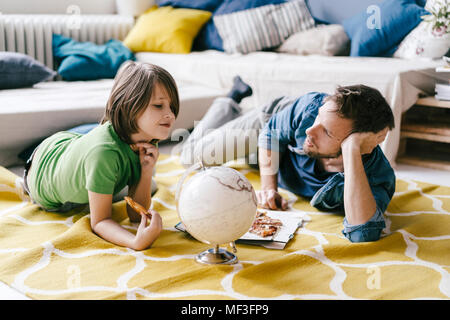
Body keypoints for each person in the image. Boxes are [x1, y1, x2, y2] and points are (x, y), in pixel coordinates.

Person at [177, 76, 396, 243]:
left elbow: (362, 233)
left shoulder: (377, 177)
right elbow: (270, 134)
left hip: (279, 156)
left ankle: (233, 121)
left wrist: (351, 152)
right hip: (270, 126)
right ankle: (230, 99)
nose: (311, 130)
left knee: (246, 158)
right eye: (319, 117)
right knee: (191, 157)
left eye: (327, 132)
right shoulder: (309, 108)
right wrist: (269, 189)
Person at [23, 61, 180, 250]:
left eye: (171, 107)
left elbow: (136, 215)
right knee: (114, 172)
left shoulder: (145, 138)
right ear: (130, 106)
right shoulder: (104, 154)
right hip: (40, 174)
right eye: (158, 106)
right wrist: (135, 241)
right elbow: (100, 222)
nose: (170, 114)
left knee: (149, 181)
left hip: (66, 142)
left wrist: (146, 171)